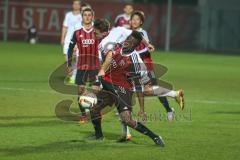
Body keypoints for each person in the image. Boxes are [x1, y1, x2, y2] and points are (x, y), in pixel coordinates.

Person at [89, 31, 165, 147]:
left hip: (122, 89)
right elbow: (107, 60)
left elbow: (138, 86)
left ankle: (154, 136)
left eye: (132, 41)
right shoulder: (116, 46)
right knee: (94, 109)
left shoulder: (135, 60)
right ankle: (98, 136)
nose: (128, 41)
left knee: (127, 119)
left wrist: (142, 109)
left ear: (135, 45)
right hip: (108, 85)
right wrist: (98, 80)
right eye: (128, 38)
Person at [130, 10, 175, 122]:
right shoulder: (127, 32)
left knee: (154, 89)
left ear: (141, 22)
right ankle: (139, 113)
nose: (134, 21)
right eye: (133, 19)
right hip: (133, 66)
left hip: (146, 65)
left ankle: (169, 109)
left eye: (137, 20)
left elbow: (147, 48)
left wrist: (133, 54)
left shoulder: (143, 33)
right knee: (135, 89)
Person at [67, 8, 100, 124]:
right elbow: (70, 48)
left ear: (92, 17)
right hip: (81, 67)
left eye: (89, 15)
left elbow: (106, 46)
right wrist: (69, 65)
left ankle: (96, 112)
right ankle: (83, 115)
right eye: (85, 15)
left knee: (96, 91)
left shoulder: (97, 32)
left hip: (95, 67)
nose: (87, 17)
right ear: (82, 17)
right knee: (80, 91)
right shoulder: (77, 33)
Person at [61, 0, 82, 83]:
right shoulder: (68, 15)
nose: (75, 5)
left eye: (77, 4)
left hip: (77, 40)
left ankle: (73, 77)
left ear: (80, 6)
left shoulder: (82, 16)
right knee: (67, 59)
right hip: (67, 40)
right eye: (74, 3)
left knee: (75, 58)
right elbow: (65, 27)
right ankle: (72, 75)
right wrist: (62, 38)